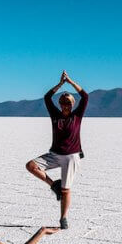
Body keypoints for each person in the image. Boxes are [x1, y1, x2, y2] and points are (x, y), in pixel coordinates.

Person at [25, 71, 89, 230]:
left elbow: (85, 97)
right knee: (31, 166)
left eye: (67, 103)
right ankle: (54, 185)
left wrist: (71, 82)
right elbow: (47, 98)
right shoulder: (55, 114)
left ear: (72, 104)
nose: (65, 105)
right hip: (54, 154)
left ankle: (63, 218)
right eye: (62, 102)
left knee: (66, 190)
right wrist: (60, 84)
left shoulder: (77, 116)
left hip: (71, 157)